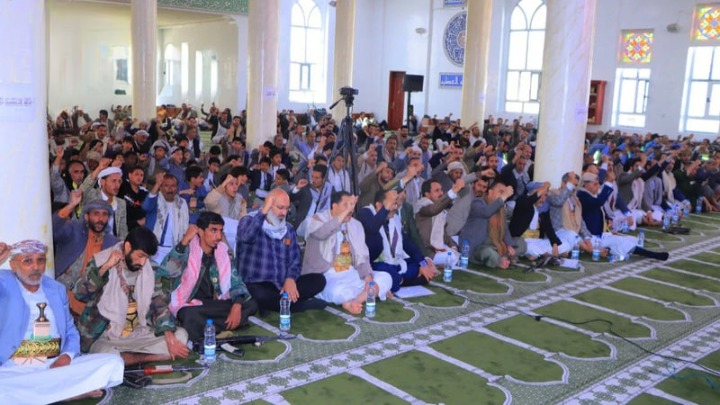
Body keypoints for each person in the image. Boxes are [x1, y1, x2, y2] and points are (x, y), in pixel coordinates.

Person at [0, 240, 124, 403]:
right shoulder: (4, 282)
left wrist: (66, 356)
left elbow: (70, 330)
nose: (36, 267)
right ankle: (67, 392)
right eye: (27, 261)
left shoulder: (56, 289)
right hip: (16, 368)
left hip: (54, 364)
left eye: (40, 260)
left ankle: (44, 392)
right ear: (13, 265)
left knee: (113, 363)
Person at [74, 227, 190, 365]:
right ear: (128, 247)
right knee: (108, 355)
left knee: (181, 336)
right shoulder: (101, 261)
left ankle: (127, 359)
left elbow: (158, 302)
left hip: (138, 335)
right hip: (106, 337)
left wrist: (169, 335)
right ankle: (150, 358)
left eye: (147, 257)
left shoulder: (149, 269)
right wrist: (105, 268)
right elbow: (80, 294)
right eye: (141, 256)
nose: (143, 262)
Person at [162, 212, 258, 342]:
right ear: (201, 231)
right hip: (192, 305)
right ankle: (226, 325)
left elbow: (236, 281)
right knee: (188, 315)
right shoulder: (186, 251)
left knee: (250, 304)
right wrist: (184, 242)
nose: (218, 236)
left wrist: (237, 305)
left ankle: (209, 327)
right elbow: (165, 272)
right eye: (213, 230)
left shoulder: (222, 252)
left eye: (220, 231)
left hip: (216, 303)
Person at [237, 189, 327, 313]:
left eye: (286, 208)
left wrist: (290, 279)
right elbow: (247, 237)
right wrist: (263, 212)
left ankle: (276, 303)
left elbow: (295, 260)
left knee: (319, 280)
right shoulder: (248, 221)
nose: (284, 212)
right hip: (258, 282)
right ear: (268, 205)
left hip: (281, 282)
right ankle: (299, 305)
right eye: (280, 208)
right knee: (260, 295)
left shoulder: (288, 229)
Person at [303, 192, 393, 314]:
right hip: (327, 276)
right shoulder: (316, 220)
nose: (350, 209)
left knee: (386, 277)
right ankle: (368, 295)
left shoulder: (356, 225)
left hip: (351, 274)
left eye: (352, 205)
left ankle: (355, 301)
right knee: (337, 291)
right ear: (334, 206)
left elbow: (362, 256)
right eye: (346, 205)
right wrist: (344, 213)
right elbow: (322, 233)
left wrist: (368, 279)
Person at [53, 194, 119, 316]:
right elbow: (54, 229)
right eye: (96, 214)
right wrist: (71, 205)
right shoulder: (74, 230)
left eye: (104, 214)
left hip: (93, 308)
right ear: (86, 216)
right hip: (63, 299)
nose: (100, 219)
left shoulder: (113, 243)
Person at [359, 189, 436, 293]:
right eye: (392, 204)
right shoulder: (366, 213)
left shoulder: (394, 218)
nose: (395, 207)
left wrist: (423, 264)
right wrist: (385, 210)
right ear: (378, 205)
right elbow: (373, 227)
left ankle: (399, 280)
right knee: (390, 273)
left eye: (395, 204)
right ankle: (400, 280)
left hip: (394, 263)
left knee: (418, 266)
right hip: (375, 263)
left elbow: (408, 244)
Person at [460, 181, 521, 269]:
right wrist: (504, 196)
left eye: (504, 193)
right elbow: (486, 212)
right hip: (477, 247)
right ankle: (500, 260)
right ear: (490, 192)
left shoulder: (501, 208)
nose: (503, 195)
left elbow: (505, 229)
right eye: (501, 192)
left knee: (521, 243)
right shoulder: (477, 203)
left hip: (494, 245)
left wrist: (509, 245)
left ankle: (504, 257)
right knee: (489, 253)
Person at [142, 173, 190, 262]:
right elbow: (146, 206)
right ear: (161, 187)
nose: (170, 189)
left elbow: (185, 227)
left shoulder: (182, 203)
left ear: (177, 188)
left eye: (173, 186)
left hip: (174, 249)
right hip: (154, 248)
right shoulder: (155, 200)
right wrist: (157, 184)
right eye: (166, 185)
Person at [415, 178, 464, 264]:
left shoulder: (440, 210)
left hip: (438, 247)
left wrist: (453, 246)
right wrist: (453, 191)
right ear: (427, 194)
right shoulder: (422, 206)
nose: (441, 193)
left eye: (441, 190)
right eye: (437, 191)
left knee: (457, 255)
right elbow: (433, 210)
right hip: (426, 250)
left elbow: (444, 234)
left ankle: (442, 263)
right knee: (452, 257)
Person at [79, 159, 129, 240]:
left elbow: (123, 230)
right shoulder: (93, 195)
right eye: (114, 181)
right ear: (102, 182)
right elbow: (83, 189)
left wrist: (121, 245)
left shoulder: (121, 203)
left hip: (113, 243)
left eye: (119, 181)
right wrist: (99, 168)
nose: (117, 185)